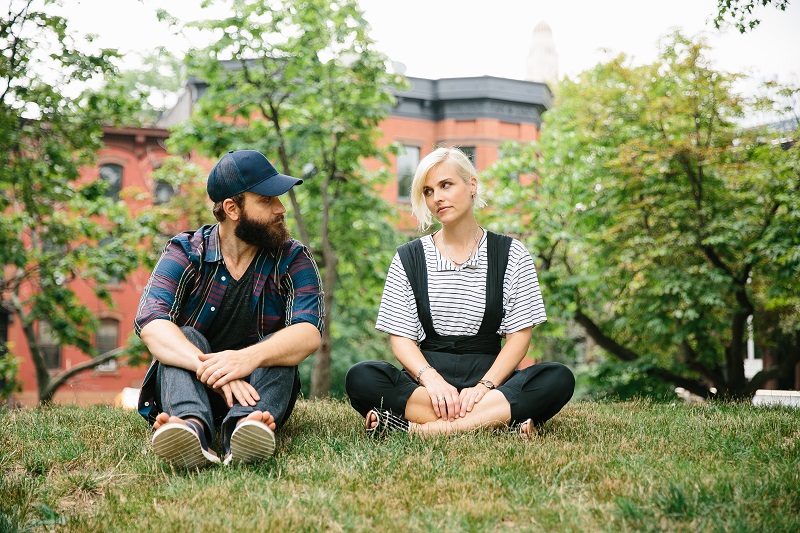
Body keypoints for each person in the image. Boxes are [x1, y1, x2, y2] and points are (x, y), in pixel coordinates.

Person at [345, 147, 574, 437]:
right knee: (361, 377)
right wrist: (432, 380)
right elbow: (401, 339)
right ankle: (495, 422)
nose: (437, 198)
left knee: (557, 378)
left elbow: (519, 337)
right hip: (426, 386)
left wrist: (485, 387)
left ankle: (421, 430)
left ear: (472, 185)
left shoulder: (512, 254)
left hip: (493, 382)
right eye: (428, 191)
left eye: (446, 185)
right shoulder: (408, 257)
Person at [135, 149, 324, 468]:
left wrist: (247, 358)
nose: (280, 208)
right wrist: (217, 372)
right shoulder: (186, 251)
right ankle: (191, 428)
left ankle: (246, 429)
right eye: (266, 200)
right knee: (185, 336)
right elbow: (152, 323)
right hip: (192, 384)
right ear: (232, 209)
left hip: (257, 391)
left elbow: (308, 332)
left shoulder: (293, 257)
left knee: (279, 345)